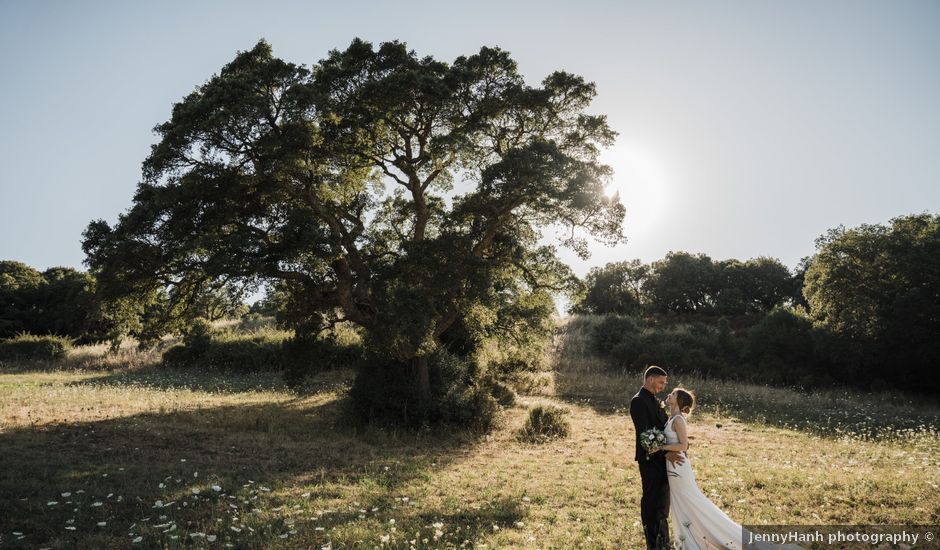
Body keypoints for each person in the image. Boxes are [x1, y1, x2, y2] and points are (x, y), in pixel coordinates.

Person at [659, 388, 803, 549]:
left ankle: (718, 537)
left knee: (693, 502)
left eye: (673, 394)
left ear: (678, 401)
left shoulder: (678, 419)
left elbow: (684, 445)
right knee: (682, 503)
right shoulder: (671, 417)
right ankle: (689, 540)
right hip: (673, 467)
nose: (669, 395)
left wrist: (660, 447)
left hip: (679, 469)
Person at [630, 366, 685, 550]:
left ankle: (663, 543)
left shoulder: (654, 400)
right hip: (650, 462)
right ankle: (654, 544)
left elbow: (663, 430)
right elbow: (644, 434)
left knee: (662, 506)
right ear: (651, 379)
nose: (663, 387)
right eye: (661, 382)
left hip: (663, 462)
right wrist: (666, 452)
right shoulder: (638, 401)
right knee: (652, 504)